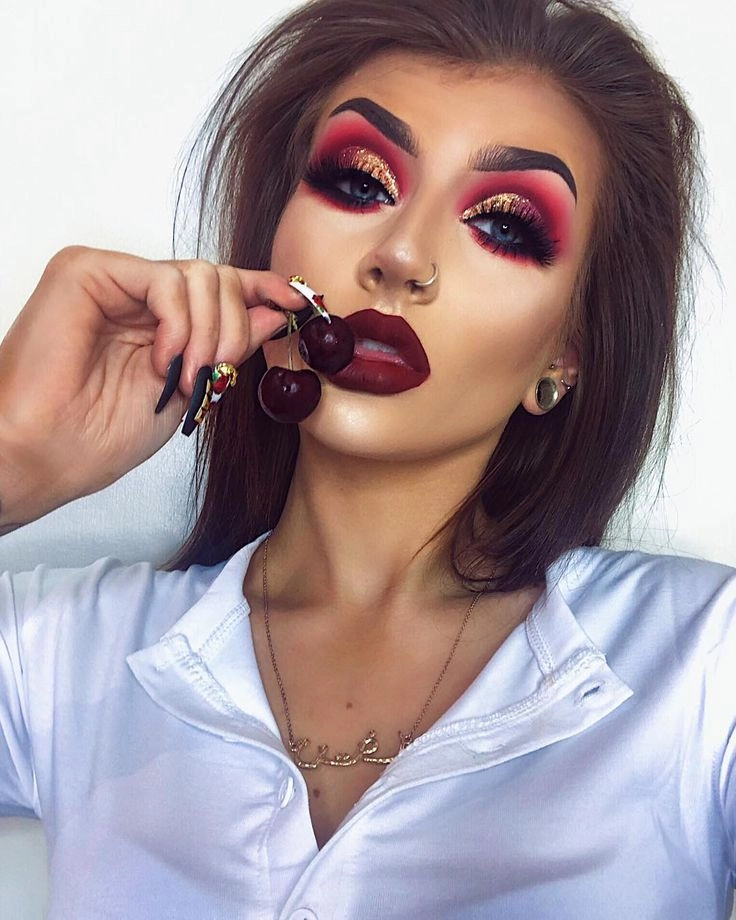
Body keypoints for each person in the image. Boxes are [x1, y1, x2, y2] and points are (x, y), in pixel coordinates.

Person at [0, 0, 734, 916]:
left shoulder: (704, 669)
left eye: (504, 227)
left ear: (565, 356)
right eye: (359, 182)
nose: (400, 255)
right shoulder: (62, 653)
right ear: (272, 244)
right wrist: (12, 458)